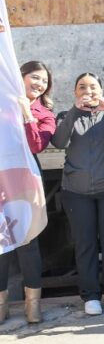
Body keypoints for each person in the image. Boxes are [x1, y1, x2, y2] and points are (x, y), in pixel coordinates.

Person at [52, 73, 104, 316]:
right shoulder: (66, 116)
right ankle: (90, 295)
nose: (87, 91)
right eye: (82, 87)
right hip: (76, 192)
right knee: (85, 244)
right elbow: (58, 141)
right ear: (75, 92)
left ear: (101, 90)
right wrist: (73, 112)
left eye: (93, 87)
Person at [2, 61, 56, 324]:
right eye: (34, 77)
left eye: (44, 81)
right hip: (2, 175)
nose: (39, 84)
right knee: (1, 241)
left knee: (28, 240)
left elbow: (36, 145)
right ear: (20, 77)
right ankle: (1, 305)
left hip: (27, 179)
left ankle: (32, 305)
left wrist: (27, 114)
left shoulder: (45, 113)